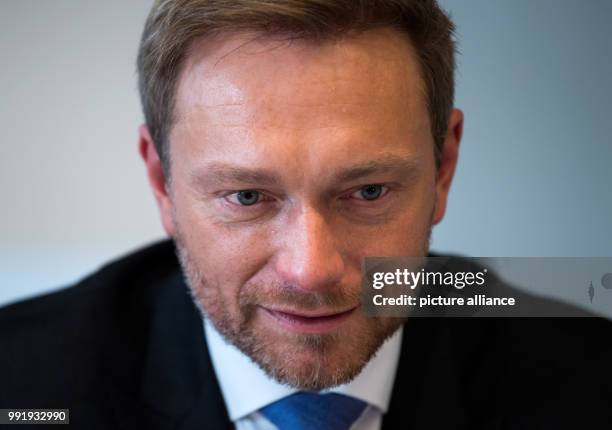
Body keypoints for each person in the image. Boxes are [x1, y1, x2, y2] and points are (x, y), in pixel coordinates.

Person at [1, 1, 611, 429]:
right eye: (246, 196)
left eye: (369, 191)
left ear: (443, 167)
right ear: (162, 182)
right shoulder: (23, 386)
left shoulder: (589, 381)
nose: (311, 271)